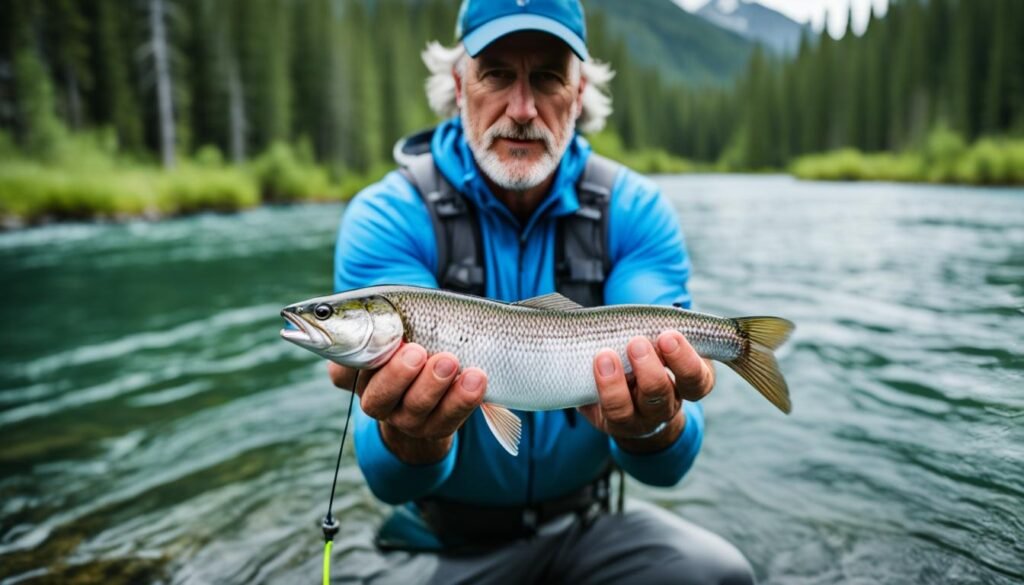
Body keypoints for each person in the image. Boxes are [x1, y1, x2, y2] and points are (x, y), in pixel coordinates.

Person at [327, 1, 756, 583]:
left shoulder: (635, 211)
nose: (523, 108)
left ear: (578, 94)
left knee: (717, 574)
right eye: (497, 73)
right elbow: (389, 479)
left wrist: (656, 423)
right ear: (459, 85)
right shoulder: (388, 215)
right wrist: (411, 438)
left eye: (549, 76)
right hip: (443, 544)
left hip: (588, 532)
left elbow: (670, 468)